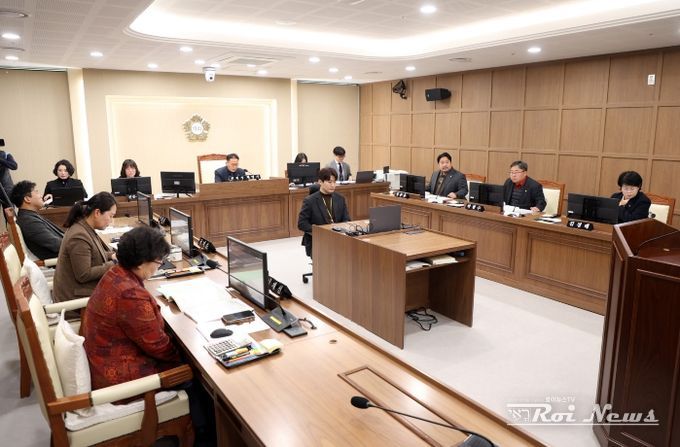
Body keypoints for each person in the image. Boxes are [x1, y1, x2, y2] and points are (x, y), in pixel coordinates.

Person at [52, 192, 117, 304]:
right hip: (76, 300)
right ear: (97, 213)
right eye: (111, 216)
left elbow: (93, 254)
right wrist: (115, 264)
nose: (111, 221)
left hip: (82, 291)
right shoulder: (79, 236)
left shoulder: (84, 227)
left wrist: (112, 255)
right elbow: (84, 274)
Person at [298, 167, 351, 257]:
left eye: (334, 182)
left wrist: (342, 229)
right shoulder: (310, 201)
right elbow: (302, 223)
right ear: (320, 182)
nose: (333, 185)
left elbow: (347, 219)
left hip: (338, 238)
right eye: (329, 182)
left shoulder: (340, 198)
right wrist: (321, 231)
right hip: (318, 240)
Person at [10, 180, 64, 259]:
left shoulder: (30, 216)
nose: (41, 196)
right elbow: (56, 244)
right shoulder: (28, 221)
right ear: (27, 199)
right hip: (63, 260)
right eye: (36, 192)